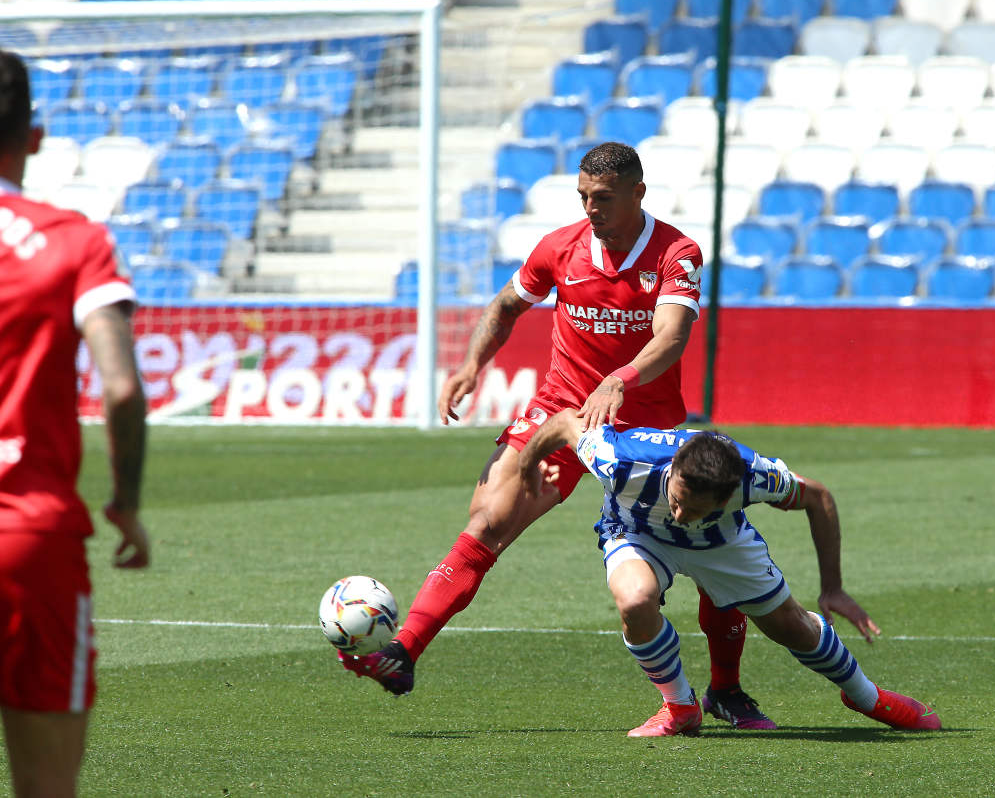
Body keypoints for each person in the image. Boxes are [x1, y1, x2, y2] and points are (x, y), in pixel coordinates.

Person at [341, 142, 775, 727]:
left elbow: (671, 336)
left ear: (636, 193)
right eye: (583, 197)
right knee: (488, 520)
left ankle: (725, 688)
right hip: (560, 409)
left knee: (705, 545)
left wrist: (619, 379)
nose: (591, 208)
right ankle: (404, 653)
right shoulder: (559, 248)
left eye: (603, 197)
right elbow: (505, 306)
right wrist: (473, 365)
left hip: (648, 428)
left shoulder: (677, 252)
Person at [516, 408, 942, 736]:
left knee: (791, 628)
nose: (680, 513)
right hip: (637, 533)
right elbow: (566, 422)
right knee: (634, 598)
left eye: (695, 508)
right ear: (674, 471)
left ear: (729, 495)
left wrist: (833, 587)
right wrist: (526, 464)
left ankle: (867, 697)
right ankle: (681, 707)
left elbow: (820, 498)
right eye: (676, 498)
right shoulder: (621, 460)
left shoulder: (754, 475)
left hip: (721, 544)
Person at [0, 49, 150, 797]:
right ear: (34, 137)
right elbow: (120, 389)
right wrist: (125, 501)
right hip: (31, 540)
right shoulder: (75, 241)